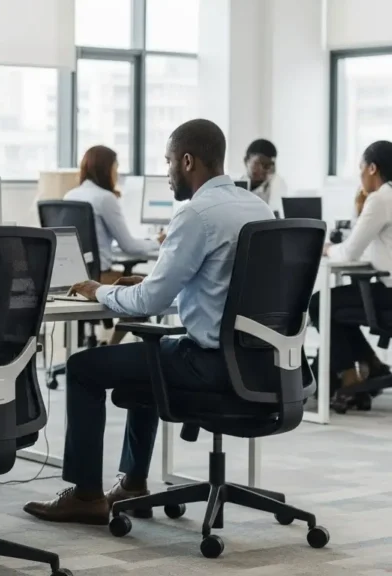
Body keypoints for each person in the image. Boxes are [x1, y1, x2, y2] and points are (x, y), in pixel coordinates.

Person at [22, 119, 274, 525]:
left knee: (84, 367)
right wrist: (154, 280)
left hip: (209, 362)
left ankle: (86, 494)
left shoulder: (196, 214)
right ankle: (133, 484)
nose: (168, 170)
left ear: (188, 161)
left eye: (169, 161)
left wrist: (96, 289)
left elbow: (147, 301)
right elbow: (221, 284)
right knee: (149, 357)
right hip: (259, 361)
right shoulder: (257, 207)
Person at [309, 140, 392, 411]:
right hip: (385, 287)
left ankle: (349, 377)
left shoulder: (381, 198)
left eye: (360, 169)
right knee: (338, 307)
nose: (359, 176)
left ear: (372, 168)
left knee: (320, 303)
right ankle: (373, 364)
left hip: (387, 294)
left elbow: (349, 253)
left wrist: (327, 249)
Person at [63, 145, 164, 345]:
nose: (116, 173)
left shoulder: (70, 196)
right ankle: (112, 346)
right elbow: (130, 247)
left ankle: (109, 344)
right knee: (144, 287)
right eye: (115, 168)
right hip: (99, 276)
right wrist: (157, 242)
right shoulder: (105, 198)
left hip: (75, 276)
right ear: (105, 169)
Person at [242, 139, 287, 216]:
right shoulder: (235, 185)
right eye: (259, 163)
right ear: (246, 161)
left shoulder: (276, 184)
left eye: (269, 164)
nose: (265, 169)